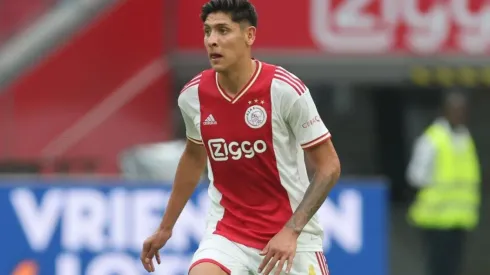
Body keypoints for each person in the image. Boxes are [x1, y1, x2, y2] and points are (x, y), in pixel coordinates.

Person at [140, 0, 341, 274]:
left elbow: (329, 166)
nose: (212, 41)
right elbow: (194, 156)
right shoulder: (193, 95)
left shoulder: (284, 89)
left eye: (223, 30)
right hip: (228, 234)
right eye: (207, 31)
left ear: (249, 36)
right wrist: (165, 227)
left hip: (290, 237)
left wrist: (292, 231)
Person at [406, 91, 481, 275]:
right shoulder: (432, 139)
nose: (459, 115)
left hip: (459, 218)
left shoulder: (465, 137)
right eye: (455, 110)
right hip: (436, 219)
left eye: (462, 111)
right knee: (438, 267)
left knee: (454, 266)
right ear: (445, 111)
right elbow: (415, 176)